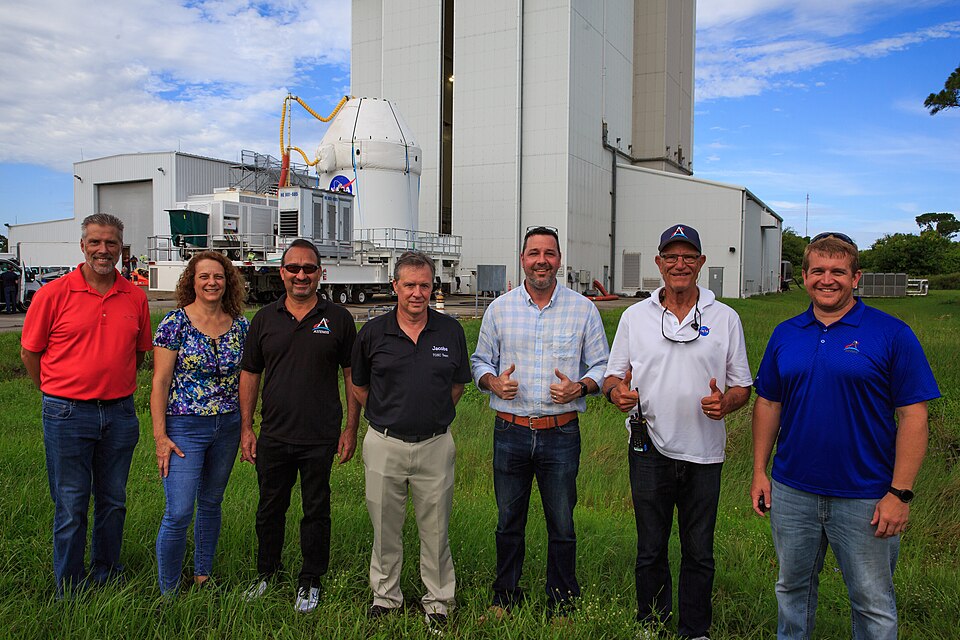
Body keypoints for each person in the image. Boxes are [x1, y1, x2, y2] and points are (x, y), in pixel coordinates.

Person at [751, 232, 940, 640]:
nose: (827, 279)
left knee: (872, 602)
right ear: (803, 277)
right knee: (791, 590)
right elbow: (768, 404)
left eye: (838, 271)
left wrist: (900, 493)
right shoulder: (786, 333)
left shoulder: (891, 333)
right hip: (793, 490)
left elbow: (913, 416)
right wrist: (759, 471)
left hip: (867, 496)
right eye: (817, 270)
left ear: (856, 278)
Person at [602, 224, 752, 639]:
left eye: (689, 257)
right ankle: (651, 624)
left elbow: (742, 385)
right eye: (671, 257)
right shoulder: (635, 317)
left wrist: (726, 403)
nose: (680, 264)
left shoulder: (725, 318)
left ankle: (694, 629)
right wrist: (618, 394)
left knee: (699, 550)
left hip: (704, 452)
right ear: (659, 263)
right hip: (648, 447)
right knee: (651, 548)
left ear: (701, 264)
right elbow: (613, 377)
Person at [471, 226, 609, 618]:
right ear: (522, 259)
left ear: (559, 260)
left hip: (560, 432)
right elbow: (479, 361)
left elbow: (603, 365)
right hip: (510, 430)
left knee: (562, 523)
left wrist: (581, 387)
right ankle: (505, 597)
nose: (541, 260)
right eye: (534, 253)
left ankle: (561, 601)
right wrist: (492, 381)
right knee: (508, 521)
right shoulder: (500, 309)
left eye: (549, 253)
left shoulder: (582, 309)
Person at [20, 213, 152, 595]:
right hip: (66, 413)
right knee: (71, 504)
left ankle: (108, 573)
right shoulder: (53, 294)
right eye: (95, 242)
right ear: (83, 246)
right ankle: (70, 586)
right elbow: (31, 352)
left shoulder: (134, 296)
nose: (103, 250)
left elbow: (138, 354)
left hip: (120, 413)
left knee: (113, 500)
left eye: (111, 243)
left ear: (121, 249)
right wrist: (54, 390)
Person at [351, 250, 471, 634]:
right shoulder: (372, 332)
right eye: (410, 285)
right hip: (384, 444)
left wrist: (428, 415)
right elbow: (358, 385)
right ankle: (386, 598)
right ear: (395, 287)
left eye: (424, 285)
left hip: (435, 445)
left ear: (432, 286)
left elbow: (456, 386)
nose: (417, 293)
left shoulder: (450, 331)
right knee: (385, 527)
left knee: (436, 530)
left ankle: (438, 602)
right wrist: (390, 415)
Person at [239, 238, 360, 613]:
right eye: (294, 268)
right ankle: (266, 574)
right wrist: (246, 427)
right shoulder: (264, 319)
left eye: (309, 268)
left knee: (316, 510)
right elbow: (250, 374)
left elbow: (352, 377)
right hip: (274, 434)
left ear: (321, 274)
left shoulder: (338, 318)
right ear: (282, 273)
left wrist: (351, 429)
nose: (301, 275)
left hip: (320, 435)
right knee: (269, 508)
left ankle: (310, 580)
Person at [151, 251, 249, 594]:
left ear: (228, 282)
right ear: (192, 281)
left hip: (227, 425)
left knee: (210, 503)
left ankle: (203, 576)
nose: (212, 283)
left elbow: (248, 378)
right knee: (178, 511)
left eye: (218, 277)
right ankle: (169, 591)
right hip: (185, 427)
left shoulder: (240, 325)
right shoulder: (174, 323)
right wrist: (160, 436)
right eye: (204, 276)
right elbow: (160, 382)